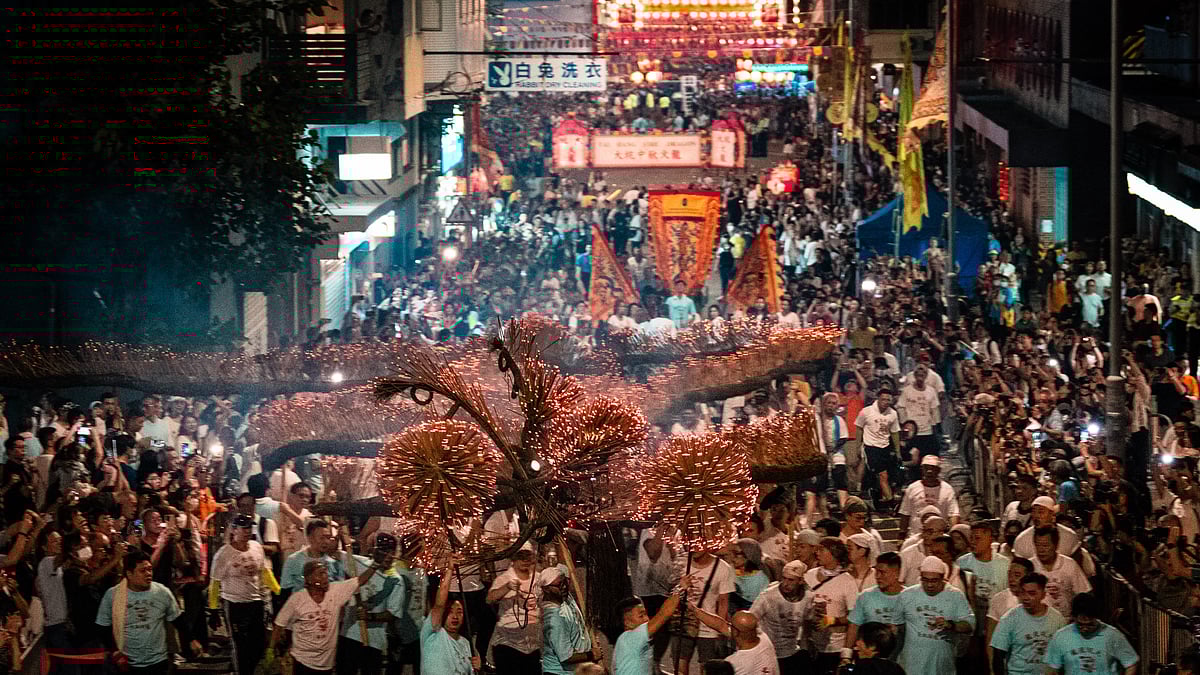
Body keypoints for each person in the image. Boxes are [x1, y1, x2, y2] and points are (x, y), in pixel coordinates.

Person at [270, 556, 383, 675]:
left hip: (326, 665)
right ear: (309, 579)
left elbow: (360, 581)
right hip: (302, 661)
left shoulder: (335, 591)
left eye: (326, 573)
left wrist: (375, 565)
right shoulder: (297, 600)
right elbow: (279, 624)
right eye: (321, 574)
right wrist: (271, 649)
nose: (326, 577)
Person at [96, 550, 202, 675]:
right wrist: (114, 651)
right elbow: (103, 626)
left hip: (159, 661)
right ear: (129, 574)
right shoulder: (113, 595)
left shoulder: (161, 592)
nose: (148, 574)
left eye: (150, 569)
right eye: (142, 571)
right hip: (127, 663)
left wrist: (192, 640)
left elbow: (177, 619)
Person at [336, 534, 405, 675]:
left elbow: (392, 614)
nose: (389, 557)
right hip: (350, 636)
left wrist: (370, 616)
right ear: (374, 551)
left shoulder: (396, 580)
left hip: (374, 642)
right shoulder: (358, 564)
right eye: (385, 552)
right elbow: (334, 553)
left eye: (392, 553)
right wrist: (341, 533)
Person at [896, 556, 975, 675]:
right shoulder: (907, 595)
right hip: (910, 667)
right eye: (925, 580)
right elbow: (898, 627)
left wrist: (951, 625)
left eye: (934, 580)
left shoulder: (955, 596)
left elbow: (970, 624)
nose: (929, 585)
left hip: (942, 666)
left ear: (943, 578)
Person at [211, 513, 268, 675]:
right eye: (243, 528)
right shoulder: (223, 554)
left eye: (249, 527)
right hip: (234, 604)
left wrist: (276, 590)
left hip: (255, 601)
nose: (247, 531)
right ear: (234, 530)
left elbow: (264, 572)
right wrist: (214, 609)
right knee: (240, 645)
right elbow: (214, 583)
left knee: (258, 644)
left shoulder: (256, 547)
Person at [990, 573, 1066, 675]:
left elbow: (1063, 653)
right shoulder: (1009, 619)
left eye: (1032, 593)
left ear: (1043, 594)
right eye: (1023, 593)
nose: (1026, 597)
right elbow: (998, 654)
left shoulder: (1057, 619)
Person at [1044, 593, 1138, 675]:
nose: (1085, 629)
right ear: (1074, 617)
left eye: (1090, 625)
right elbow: (1052, 669)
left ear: (1096, 618)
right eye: (1080, 624)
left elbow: (1131, 663)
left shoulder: (1112, 635)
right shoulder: (1061, 636)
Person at [487, 548, 544, 671]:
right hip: (509, 643)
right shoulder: (504, 578)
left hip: (533, 643)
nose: (525, 560)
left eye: (528, 556)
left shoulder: (538, 578)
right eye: (521, 557)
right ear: (514, 559)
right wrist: (507, 587)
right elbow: (490, 599)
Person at [748, 560, 810, 672]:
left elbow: (808, 621)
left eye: (791, 580)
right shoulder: (768, 596)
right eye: (784, 578)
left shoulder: (808, 597)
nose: (785, 583)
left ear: (800, 581)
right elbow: (750, 619)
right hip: (768, 653)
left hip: (791, 653)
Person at [844, 551, 905, 663]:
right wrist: (846, 656)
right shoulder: (866, 596)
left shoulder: (909, 597)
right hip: (869, 663)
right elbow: (854, 626)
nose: (877, 576)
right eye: (876, 571)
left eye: (882, 572)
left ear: (896, 573)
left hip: (900, 661)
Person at [540, 563, 599, 675]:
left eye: (565, 582)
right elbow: (566, 656)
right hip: (559, 673)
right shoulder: (555, 618)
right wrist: (591, 654)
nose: (564, 587)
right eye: (559, 585)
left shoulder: (565, 598)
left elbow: (565, 564)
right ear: (546, 589)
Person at [612, 588, 683, 675]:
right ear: (628, 622)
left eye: (646, 614)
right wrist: (679, 590)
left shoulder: (629, 640)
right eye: (641, 616)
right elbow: (664, 614)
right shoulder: (631, 638)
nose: (646, 619)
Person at [689, 609, 778, 675]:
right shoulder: (763, 638)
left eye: (731, 625)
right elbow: (721, 626)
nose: (728, 625)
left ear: (736, 632)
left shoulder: (735, 663)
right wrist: (694, 609)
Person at [1028, 527, 1091, 619]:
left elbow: (1085, 594)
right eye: (1038, 545)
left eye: (1045, 546)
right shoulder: (1030, 566)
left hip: (1066, 621)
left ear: (1055, 545)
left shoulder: (1070, 564)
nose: (1041, 550)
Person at [855, 389, 900, 504]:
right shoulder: (866, 411)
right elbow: (859, 427)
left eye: (888, 400)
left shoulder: (893, 414)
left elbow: (894, 432)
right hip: (871, 446)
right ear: (878, 399)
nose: (885, 402)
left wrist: (897, 451)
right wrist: (858, 446)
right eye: (883, 399)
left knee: (887, 475)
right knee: (882, 474)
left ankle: (879, 495)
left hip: (885, 447)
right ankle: (891, 501)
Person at [897, 456, 961, 537]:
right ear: (922, 469)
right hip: (916, 536)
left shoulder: (947, 489)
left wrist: (953, 534)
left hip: (939, 538)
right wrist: (901, 536)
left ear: (938, 470)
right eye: (926, 468)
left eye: (933, 468)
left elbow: (953, 514)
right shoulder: (912, 488)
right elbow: (905, 513)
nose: (929, 471)